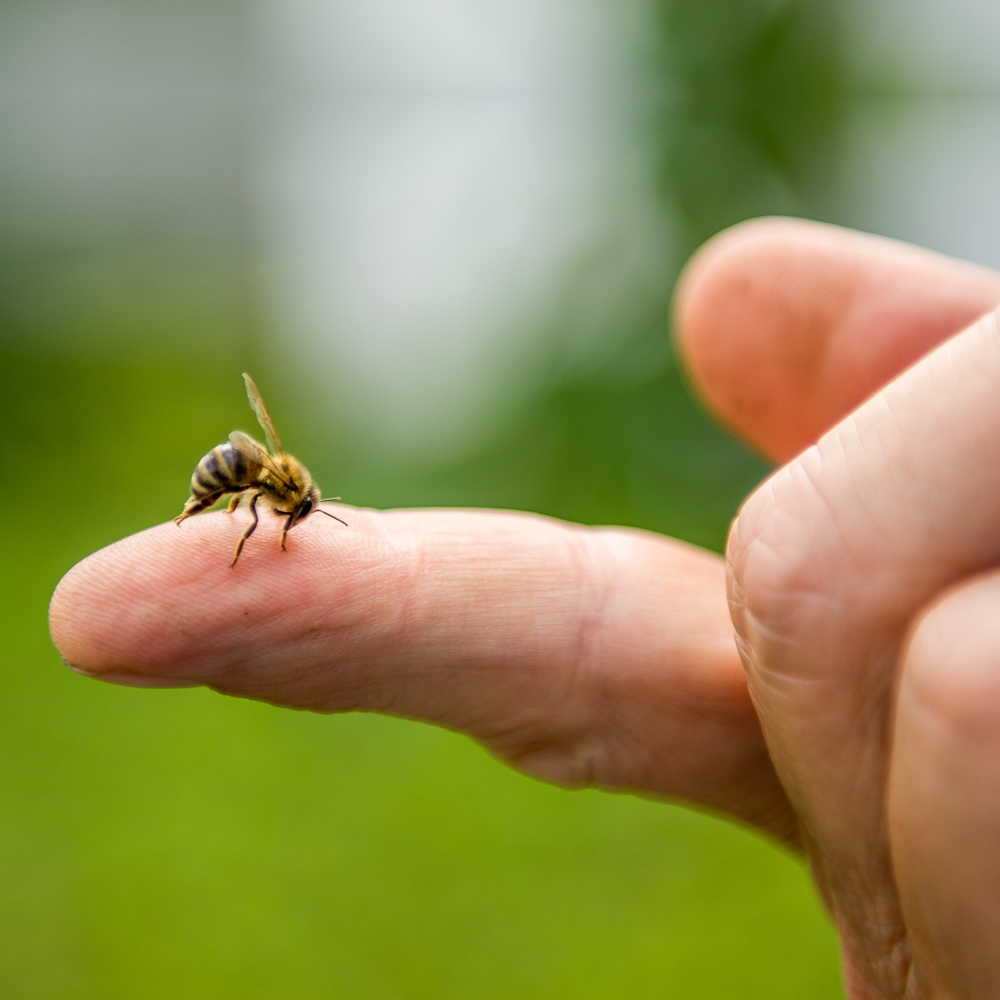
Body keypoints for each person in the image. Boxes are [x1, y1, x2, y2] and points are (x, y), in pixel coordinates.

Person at [49, 218, 1000, 999]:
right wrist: (258, 521)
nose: (291, 513)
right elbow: (250, 478)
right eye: (291, 508)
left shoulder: (280, 486)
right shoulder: (267, 486)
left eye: (291, 508)